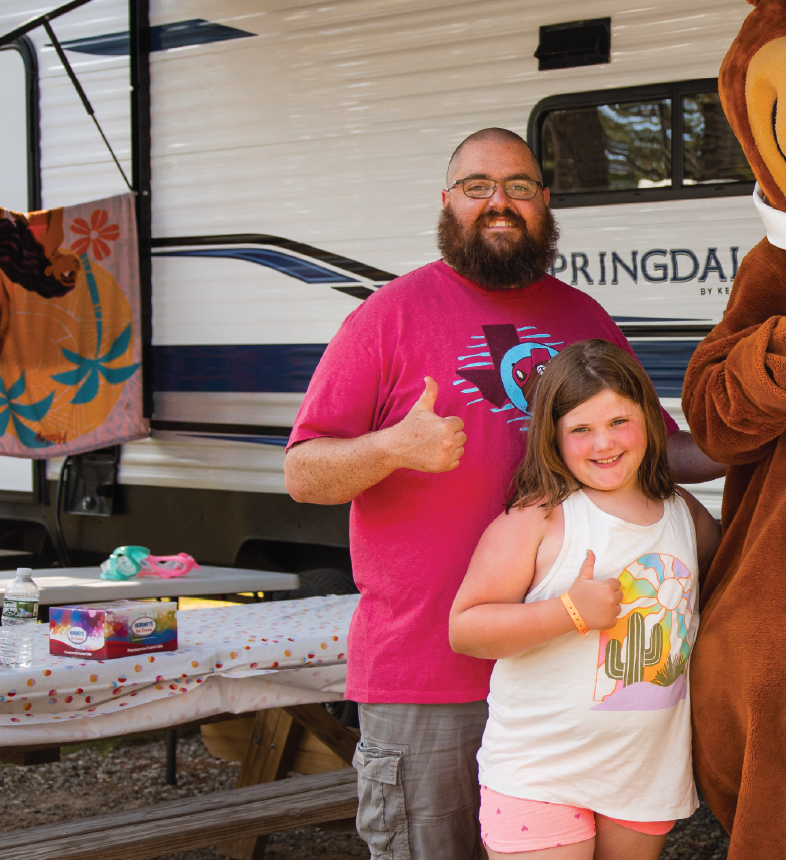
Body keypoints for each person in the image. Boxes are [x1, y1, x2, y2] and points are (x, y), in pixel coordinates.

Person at [285, 128, 724, 860]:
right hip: (431, 673)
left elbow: (659, 451)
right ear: (447, 201)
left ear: (545, 203)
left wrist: (761, 430)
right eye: (477, 187)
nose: (499, 203)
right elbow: (303, 474)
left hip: (568, 681)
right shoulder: (387, 317)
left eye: (519, 187)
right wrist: (393, 446)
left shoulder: (583, 319)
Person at [449, 340, 717, 860]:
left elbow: (734, 577)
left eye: (620, 421)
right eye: (581, 429)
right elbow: (466, 628)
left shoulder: (682, 512)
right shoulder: (540, 517)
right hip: (541, 771)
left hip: (643, 774)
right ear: (553, 436)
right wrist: (569, 611)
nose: (604, 443)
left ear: (649, 418)